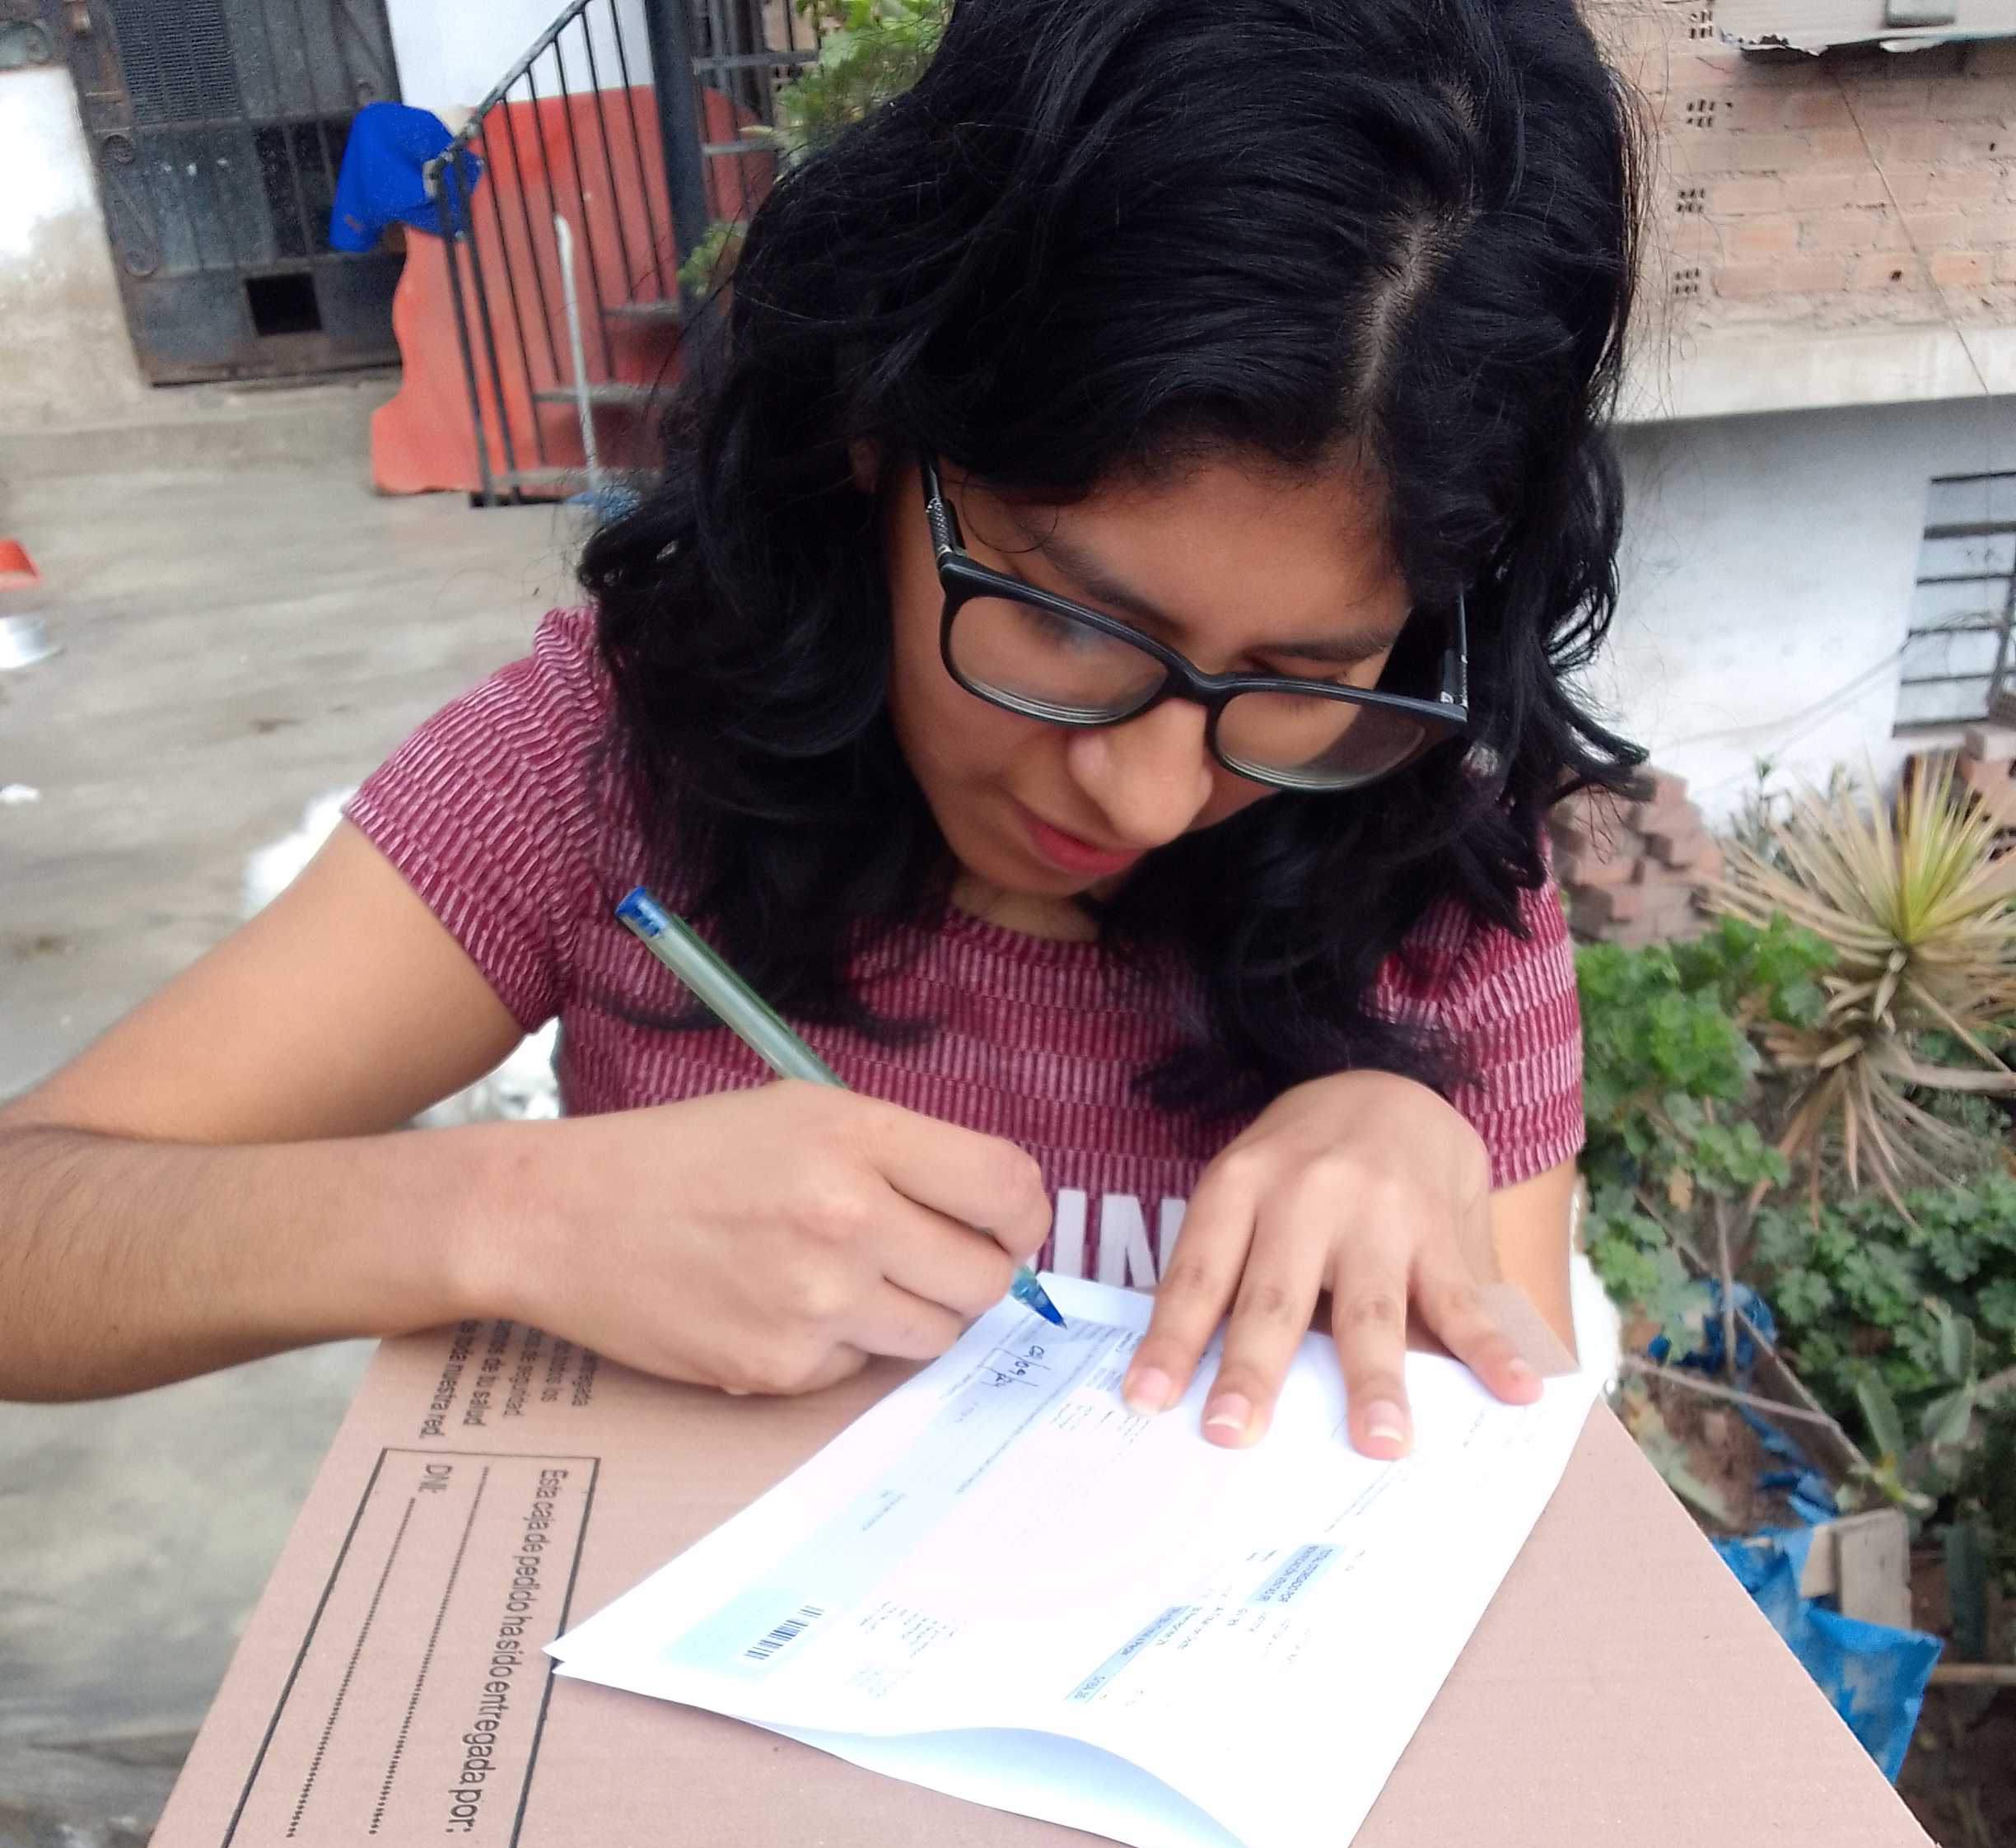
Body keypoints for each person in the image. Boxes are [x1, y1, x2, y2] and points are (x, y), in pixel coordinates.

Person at [0, 0, 1639, 1454]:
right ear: (879, 425)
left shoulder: (1426, 857)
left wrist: (1419, 1144)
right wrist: (511, 1216)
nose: (1147, 796)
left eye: (1302, 677)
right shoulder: (610, 765)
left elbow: (1500, 1519)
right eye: (1072, 621)